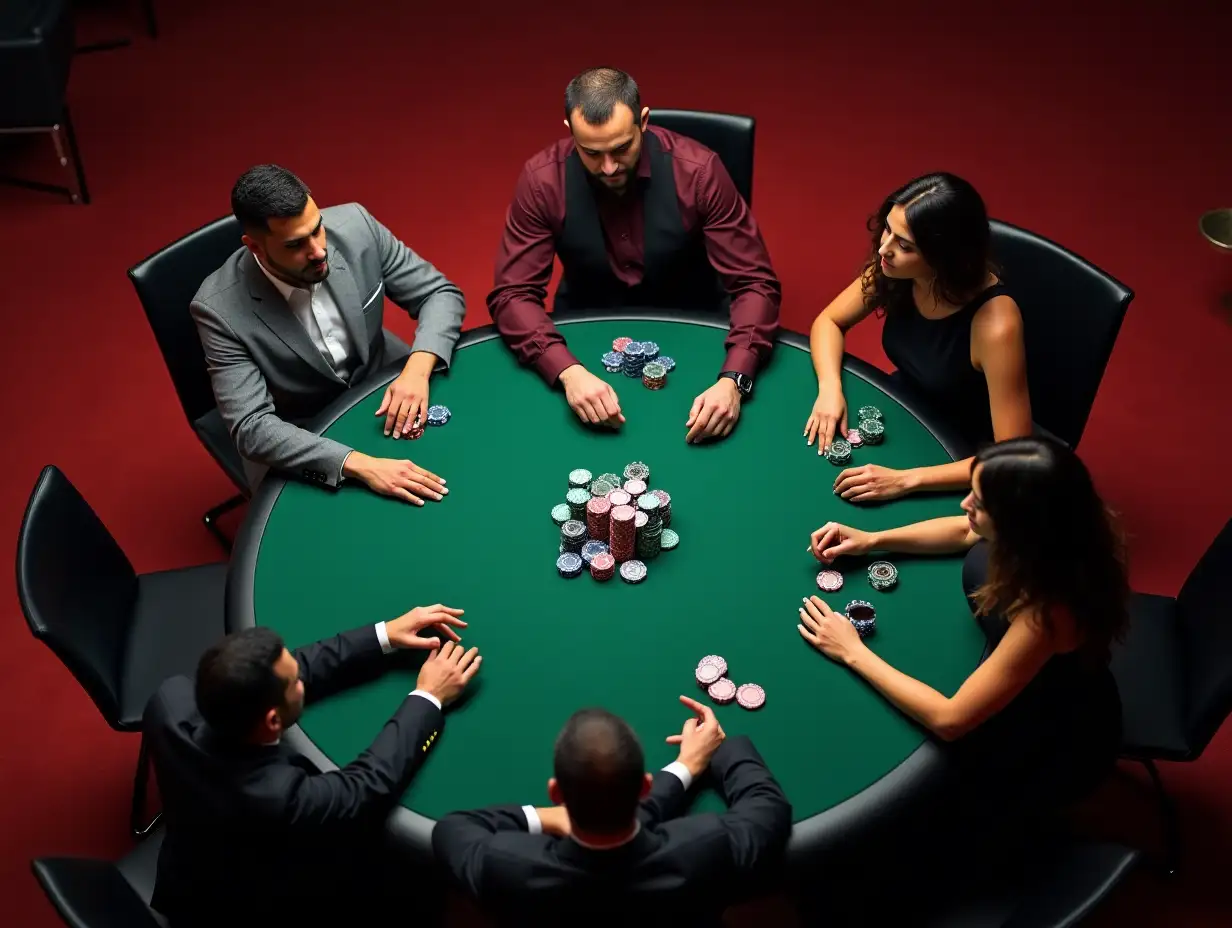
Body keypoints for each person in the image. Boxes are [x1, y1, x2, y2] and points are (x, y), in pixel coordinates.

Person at [800, 437, 1125, 839]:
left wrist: (852, 651)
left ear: (1021, 524)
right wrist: (872, 540)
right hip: (1025, 676)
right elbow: (962, 533)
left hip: (1044, 739)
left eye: (981, 503)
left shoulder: (1047, 613)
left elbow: (950, 720)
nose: (964, 505)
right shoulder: (1053, 539)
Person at [488, 67, 782, 444]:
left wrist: (734, 378)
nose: (608, 167)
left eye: (621, 148)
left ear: (644, 121)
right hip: (584, 322)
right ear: (569, 129)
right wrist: (567, 371)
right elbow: (512, 294)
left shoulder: (700, 172)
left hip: (695, 321)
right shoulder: (542, 179)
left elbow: (755, 284)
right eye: (592, 153)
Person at [146, 605, 481, 925]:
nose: (302, 676)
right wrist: (429, 696)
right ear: (273, 721)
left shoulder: (171, 702)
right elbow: (366, 786)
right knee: (413, 882)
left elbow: (289, 669)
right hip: (249, 906)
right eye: (296, 683)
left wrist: (385, 635)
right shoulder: (278, 798)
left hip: (187, 869)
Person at [193, 164, 466, 504]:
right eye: (295, 245)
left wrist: (417, 369)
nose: (319, 250)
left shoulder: (356, 226)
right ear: (256, 247)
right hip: (304, 428)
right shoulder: (217, 309)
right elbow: (251, 426)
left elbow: (439, 294)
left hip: (382, 380)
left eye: (317, 228)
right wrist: (359, 464)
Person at [432, 696, 792, 926]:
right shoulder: (706, 848)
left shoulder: (507, 865)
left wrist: (543, 817)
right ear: (645, 787)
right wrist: (707, 756)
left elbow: (452, 828)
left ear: (557, 793)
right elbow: (768, 807)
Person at [803, 173, 1033, 501]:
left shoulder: (996, 325)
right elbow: (830, 321)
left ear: (943, 257)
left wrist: (905, 481)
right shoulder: (894, 267)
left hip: (964, 451)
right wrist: (829, 389)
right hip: (906, 409)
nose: (884, 248)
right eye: (887, 229)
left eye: (905, 245)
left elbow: (1014, 457)